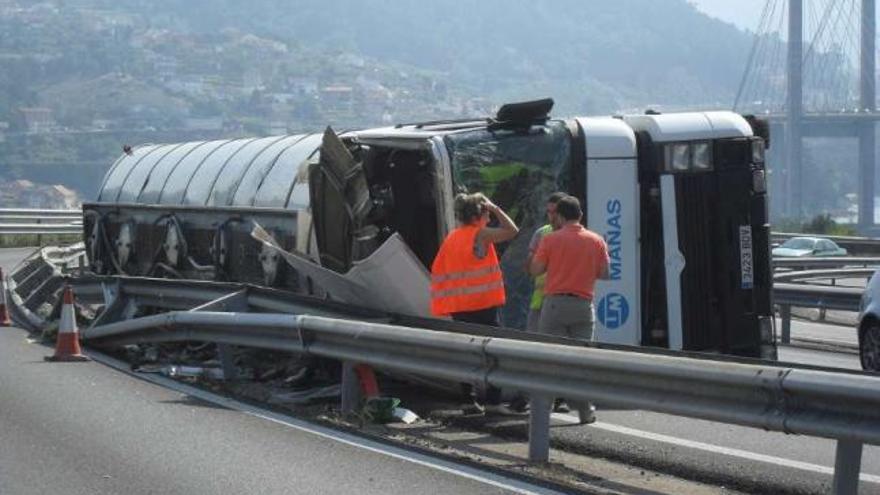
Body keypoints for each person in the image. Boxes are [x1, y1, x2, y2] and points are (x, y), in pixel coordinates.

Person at [431, 192, 519, 414]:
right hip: (483, 305)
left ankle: (468, 400)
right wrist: (496, 207)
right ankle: (492, 401)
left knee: (466, 353)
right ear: (479, 215)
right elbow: (512, 231)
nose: (489, 218)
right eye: (487, 214)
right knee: (494, 354)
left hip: (459, 306)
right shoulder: (479, 234)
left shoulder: (452, 237)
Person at [529, 195, 609, 421]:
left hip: (554, 304)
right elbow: (605, 273)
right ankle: (585, 412)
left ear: (561, 217)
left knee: (549, 359)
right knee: (582, 361)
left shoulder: (551, 239)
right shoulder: (596, 240)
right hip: (584, 306)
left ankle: (542, 413)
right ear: (581, 215)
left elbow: (535, 270)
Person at [525, 192, 567, 332]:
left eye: (555, 212)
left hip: (565, 301)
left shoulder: (575, 236)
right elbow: (529, 268)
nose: (552, 216)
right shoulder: (541, 233)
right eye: (549, 212)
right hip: (540, 301)